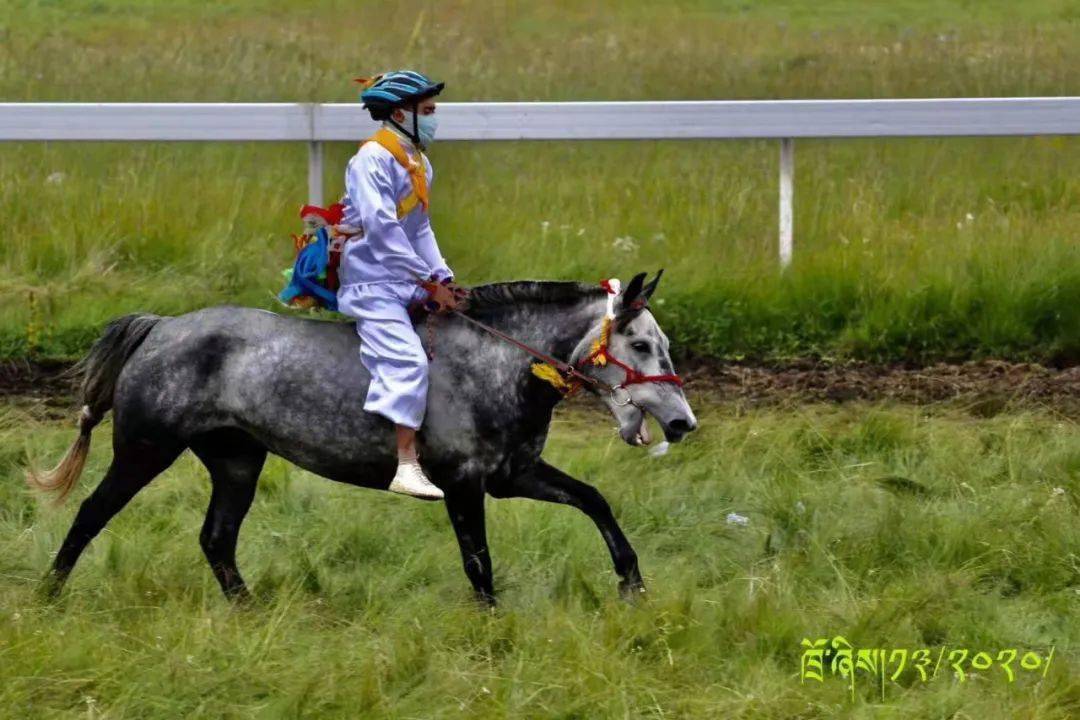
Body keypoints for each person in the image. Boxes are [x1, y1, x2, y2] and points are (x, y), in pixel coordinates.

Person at [335, 70, 466, 501]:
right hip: (373, 282)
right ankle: (406, 464)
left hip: (406, 277)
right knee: (409, 361)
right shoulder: (370, 159)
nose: (433, 119)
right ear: (399, 113)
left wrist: (443, 275)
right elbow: (382, 230)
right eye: (427, 112)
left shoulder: (419, 163)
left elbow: (420, 229)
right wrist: (428, 281)